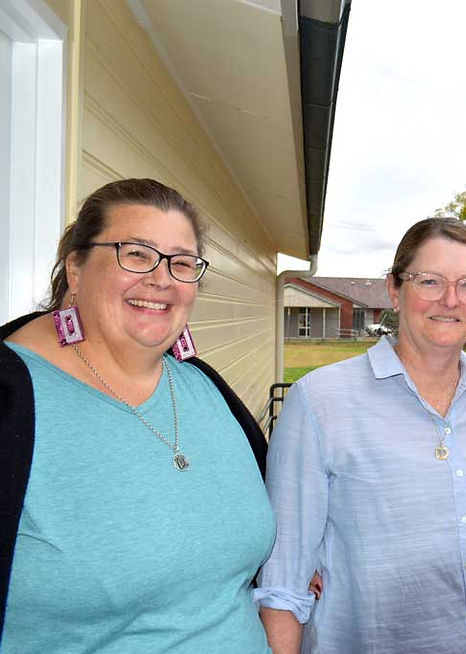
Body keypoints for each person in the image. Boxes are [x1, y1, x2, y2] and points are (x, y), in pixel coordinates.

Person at [0, 179, 275, 652]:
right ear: (77, 267)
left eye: (182, 263)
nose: (162, 279)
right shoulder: (12, 399)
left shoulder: (205, 386)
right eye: (137, 254)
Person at [254, 217, 466, 653]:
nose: (451, 300)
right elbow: (283, 585)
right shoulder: (320, 403)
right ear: (394, 290)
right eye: (430, 281)